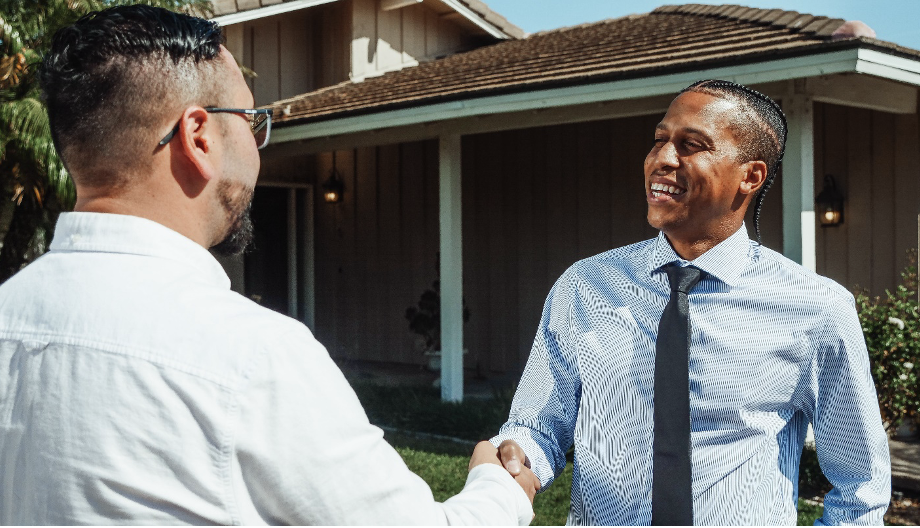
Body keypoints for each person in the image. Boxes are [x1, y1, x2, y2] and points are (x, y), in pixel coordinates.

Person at [0, 6, 538, 524]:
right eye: (253, 121)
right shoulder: (252, 358)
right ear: (199, 136)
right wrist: (498, 488)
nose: (260, 148)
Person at [487, 80, 891, 525]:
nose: (662, 159)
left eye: (691, 145)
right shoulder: (585, 287)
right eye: (658, 141)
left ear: (750, 176)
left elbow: (861, 486)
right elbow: (538, 427)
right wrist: (517, 460)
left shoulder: (818, 308)